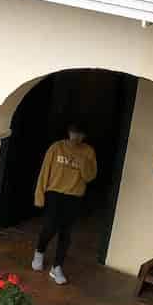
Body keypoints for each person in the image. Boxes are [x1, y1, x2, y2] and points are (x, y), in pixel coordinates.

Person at [33, 122, 98, 285]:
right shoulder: (56, 147)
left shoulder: (88, 152)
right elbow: (44, 172)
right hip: (54, 193)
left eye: (80, 134)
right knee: (49, 227)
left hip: (74, 196)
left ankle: (57, 267)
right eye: (74, 133)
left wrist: (82, 161)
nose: (76, 137)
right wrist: (39, 195)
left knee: (66, 233)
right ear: (69, 132)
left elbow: (90, 177)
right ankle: (39, 252)